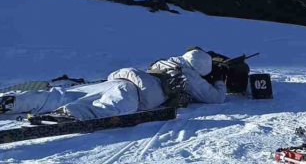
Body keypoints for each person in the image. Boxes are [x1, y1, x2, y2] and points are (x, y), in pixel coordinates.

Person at [0, 50, 226, 120]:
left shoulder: (167, 61)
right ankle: (68, 117)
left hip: (122, 78)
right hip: (135, 92)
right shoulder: (190, 74)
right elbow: (215, 98)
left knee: (66, 94)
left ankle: (15, 101)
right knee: (109, 109)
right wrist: (219, 81)